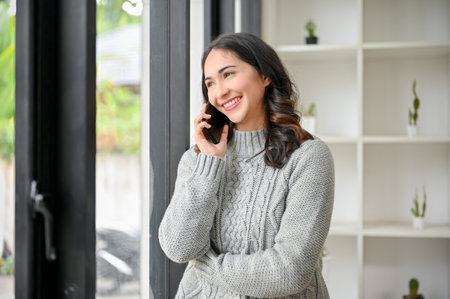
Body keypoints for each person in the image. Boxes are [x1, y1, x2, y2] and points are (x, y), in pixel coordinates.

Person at [159, 32, 334, 298]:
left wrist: (209, 265)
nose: (220, 92)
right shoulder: (198, 159)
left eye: (228, 74)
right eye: (210, 83)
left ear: (265, 75)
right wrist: (210, 163)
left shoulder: (308, 157)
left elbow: (291, 270)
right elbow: (179, 248)